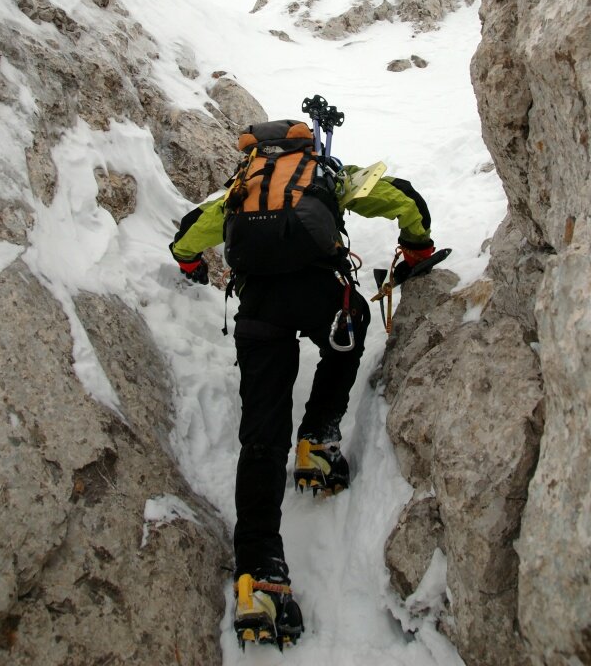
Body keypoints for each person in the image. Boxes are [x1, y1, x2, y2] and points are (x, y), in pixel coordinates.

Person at [169, 117, 435, 648]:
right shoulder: (325, 174)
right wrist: (417, 247)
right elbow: (403, 198)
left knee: (261, 438)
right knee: (348, 333)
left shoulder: (241, 187)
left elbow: (186, 237)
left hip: (260, 309)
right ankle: (318, 438)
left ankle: (259, 574)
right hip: (321, 296)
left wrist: (192, 264)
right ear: (304, 147)